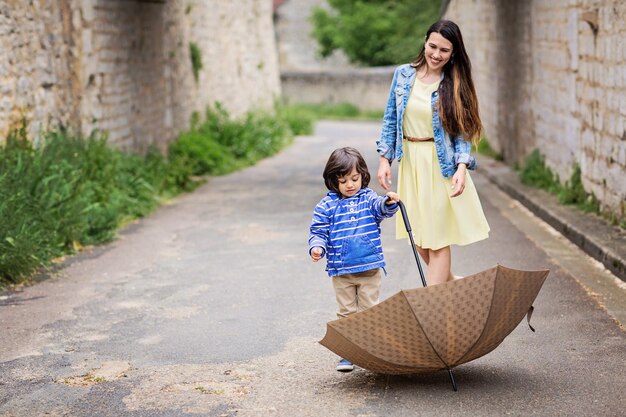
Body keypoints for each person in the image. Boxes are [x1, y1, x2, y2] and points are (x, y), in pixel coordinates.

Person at [376, 20, 490, 286]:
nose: (436, 54)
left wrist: (462, 167)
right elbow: (390, 120)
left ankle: (435, 307)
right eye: (433, 46)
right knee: (420, 237)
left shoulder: (454, 84)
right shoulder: (403, 75)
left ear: (453, 54)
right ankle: (453, 282)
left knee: (437, 239)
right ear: (425, 41)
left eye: (444, 50)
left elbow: (462, 132)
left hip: (441, 168)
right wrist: (384, 160)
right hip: (411, 165)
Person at [309, 147, 399, 372]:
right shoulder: (326, 206)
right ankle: (348, 354)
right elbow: (317, 230)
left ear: (362, 176)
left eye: (354, 179)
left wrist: (388, 203)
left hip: (369, 268)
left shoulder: (368, 198)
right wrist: (317, 246)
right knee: (347, 313)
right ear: (333, 181)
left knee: (369, 311)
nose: (350, 185)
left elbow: (381, 209)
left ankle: (372, 350)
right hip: (341, 271)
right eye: (343, 181)